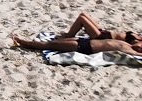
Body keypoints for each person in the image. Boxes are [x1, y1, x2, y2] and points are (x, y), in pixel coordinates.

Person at [11, 32, 142, 57]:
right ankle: (27, 43)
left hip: (84, 48)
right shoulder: (126, 43)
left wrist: (137, 51)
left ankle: (24, 43)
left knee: (49, 45)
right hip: (84, 41)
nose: (138, 45)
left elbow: (137, 54)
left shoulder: (128, 50)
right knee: (53, 42)